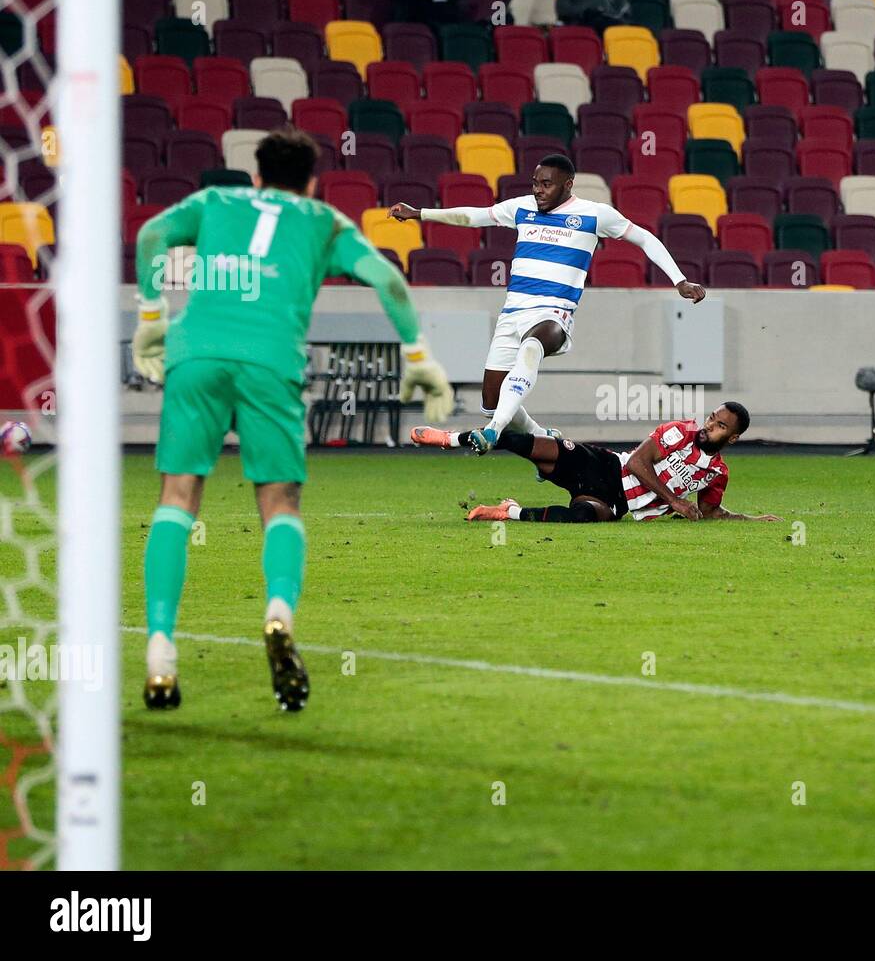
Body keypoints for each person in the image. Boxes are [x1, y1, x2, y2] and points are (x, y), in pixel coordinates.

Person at [130, 128, 454, 712]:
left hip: (195, 355)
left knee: (177, 497)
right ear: (311, 182)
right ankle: (278, 614)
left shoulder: (214, 201)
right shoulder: (323, 220)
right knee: (280, 503)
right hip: (270, 364)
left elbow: (153, 233)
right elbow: (386, 278)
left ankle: (159, 651)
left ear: (255, 176)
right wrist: (417, 355)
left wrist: (152, 317)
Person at [388, 154, 705, 456]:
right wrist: (420, 213)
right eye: (535, 183)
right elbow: (475, 216)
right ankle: (541, 436)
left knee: (532, 347)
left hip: (554, 313)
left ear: (568, 184)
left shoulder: (596, 214)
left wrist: (680, 280)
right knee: (492, 401)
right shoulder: (521, 208)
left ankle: (493, 431)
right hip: (512, 313)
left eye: (547, 184)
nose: (538, 190)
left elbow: (646, 239)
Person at [413, 403, 781, 523]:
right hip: (605, 467)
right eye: (711, 418)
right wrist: (673, 500)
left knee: (582, 518)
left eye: (719, 427)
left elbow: (710, 511)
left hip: (615, 503)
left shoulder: (717, 472)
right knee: (522, 443)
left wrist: (748, 520)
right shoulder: (680, 432)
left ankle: (508, 511)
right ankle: (448, 439)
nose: (708, 427)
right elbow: (638, 463)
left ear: (731, 439)